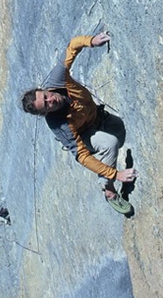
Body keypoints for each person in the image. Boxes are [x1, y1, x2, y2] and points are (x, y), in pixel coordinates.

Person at [21, 33, 138, 214]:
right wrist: (116, 175)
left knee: (119, 132)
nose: (51, 100)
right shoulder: (58, 124)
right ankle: (108, 190)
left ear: (42, 89)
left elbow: (72, 47)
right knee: (110, 144)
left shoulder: (57, 79)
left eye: (46, 96)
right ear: (45, 112)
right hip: (85, 135)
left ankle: (105, 168)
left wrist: (91, 41)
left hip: (97, 116)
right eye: (46, 105)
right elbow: (82, 156)